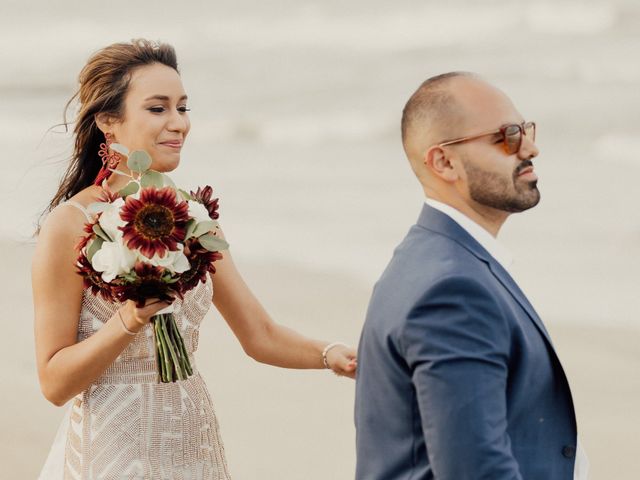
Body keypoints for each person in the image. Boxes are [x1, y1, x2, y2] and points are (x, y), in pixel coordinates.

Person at [32, 39, 357, 479]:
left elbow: (260, 334)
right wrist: (129, 319)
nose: (178, 124)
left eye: (183, 108)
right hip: (112, 449)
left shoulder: (194, 218)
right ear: (108, 120)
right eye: (158, 108)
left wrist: (332, 354)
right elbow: (54, 382)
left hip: (191, 442)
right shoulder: (69, 225)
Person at [354, 72, 587, 479]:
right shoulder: (452, 291)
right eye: (506, 135)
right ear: (444, 162)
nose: (530, 147)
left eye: (525, 128)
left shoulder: (432, 257)